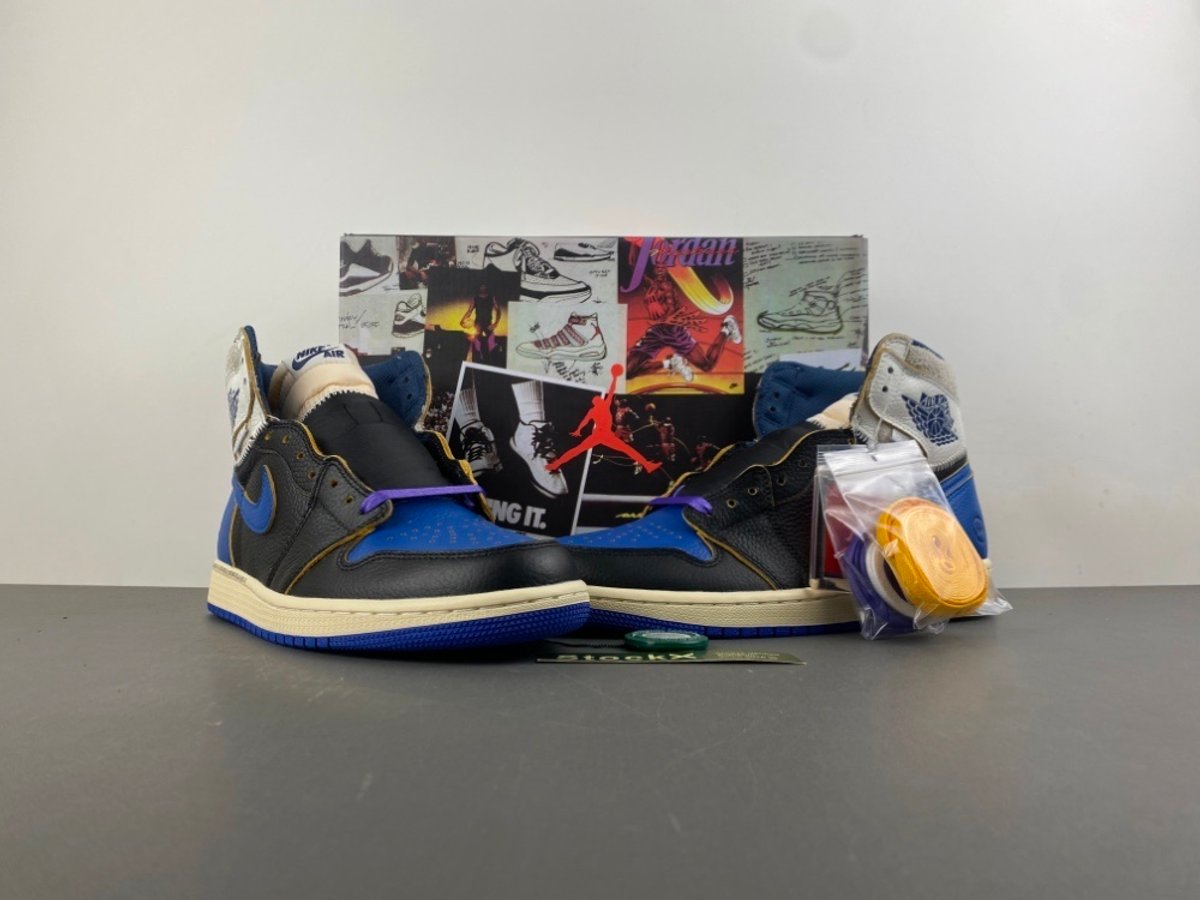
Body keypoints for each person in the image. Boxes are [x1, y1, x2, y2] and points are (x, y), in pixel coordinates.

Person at [547, 365, 661, 474]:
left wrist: (578, 430)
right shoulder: (603, 406)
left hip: (602, 435)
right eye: (598, 400)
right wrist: (615, 377)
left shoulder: (595, 410)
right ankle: (647, 465)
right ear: (597, 403)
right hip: (603, 435)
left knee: (577, 450)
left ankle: (555, 465)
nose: (600, 401)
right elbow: (610, 392)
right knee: (626, 450)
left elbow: (585, 421)